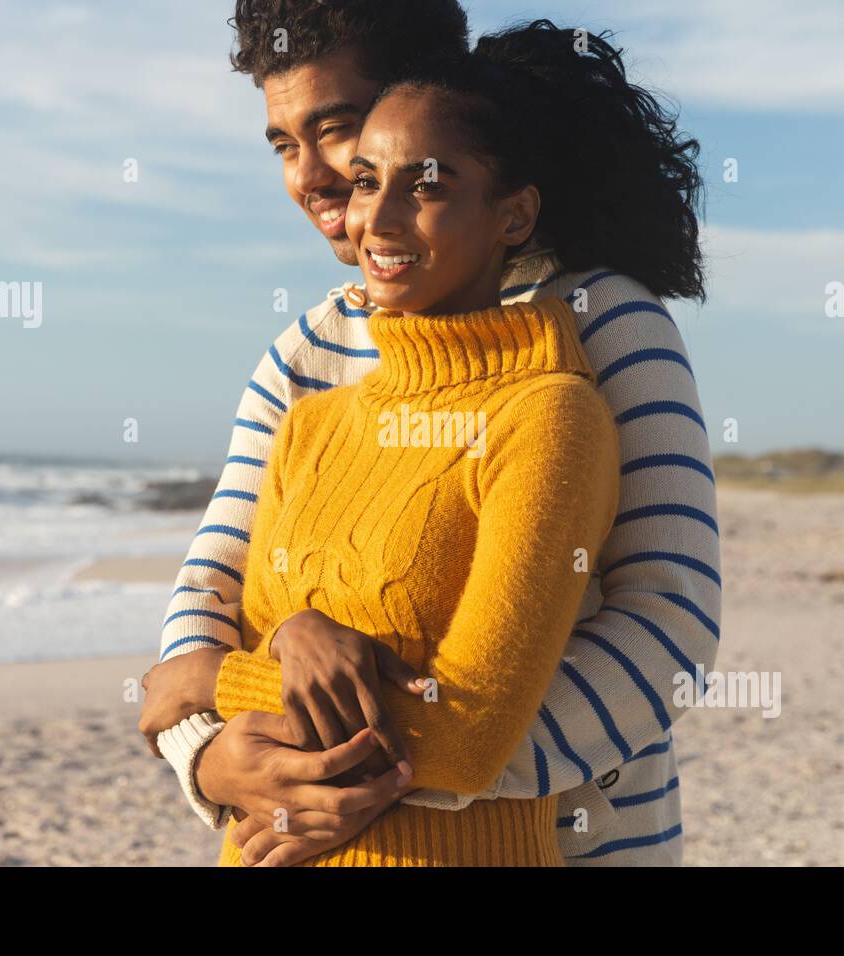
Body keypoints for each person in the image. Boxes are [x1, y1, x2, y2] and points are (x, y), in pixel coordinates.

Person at [139, 4, 720, 867]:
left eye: (335, 131)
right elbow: (210, 597)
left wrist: (384, 780)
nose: (311, 177)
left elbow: (669, 621)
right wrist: (214, 759)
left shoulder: (602, 325)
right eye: (282, 145)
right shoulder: (301, 359)